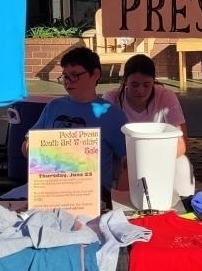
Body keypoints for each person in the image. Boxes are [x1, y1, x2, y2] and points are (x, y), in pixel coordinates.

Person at [23, 47, 128, 195]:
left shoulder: (113, 115)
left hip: (93, 196)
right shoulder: (53, 106)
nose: (67, 82)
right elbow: (27, 145)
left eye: (74, 75)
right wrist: (33, 148)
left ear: (95, 74)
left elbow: (128, 163)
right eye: (65, 76)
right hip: (51, 191)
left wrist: (119, 198)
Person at [103, 54, 196, 198]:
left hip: (159, 156)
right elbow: (104, 140)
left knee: (183, 165)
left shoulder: (166, 96)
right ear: (125, 81)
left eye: (147, 85)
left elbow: (181, 144)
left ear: (154, 81)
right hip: (123, 157)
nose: (140, 91)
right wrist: (130, 160)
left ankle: (183, 202)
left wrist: (145, 160)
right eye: (134, 85)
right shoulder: (111, 99)